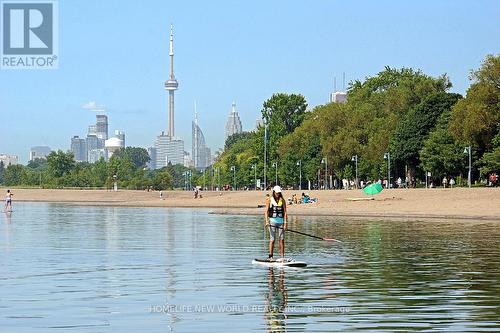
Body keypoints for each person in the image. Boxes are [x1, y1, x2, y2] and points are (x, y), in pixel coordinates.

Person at [264, 186, 288, 260]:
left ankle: (282, 257)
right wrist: (267, 221)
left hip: (281, 222)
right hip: (272, 222)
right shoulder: (269, 200)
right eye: (277, 192)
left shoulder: (282, 200)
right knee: (272, 239)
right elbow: (266, 211)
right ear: (274, 192)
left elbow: (285, 212)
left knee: (282, 240)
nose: (278, 194)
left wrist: (285, 223)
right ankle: (270, 256)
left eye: (279, 192)